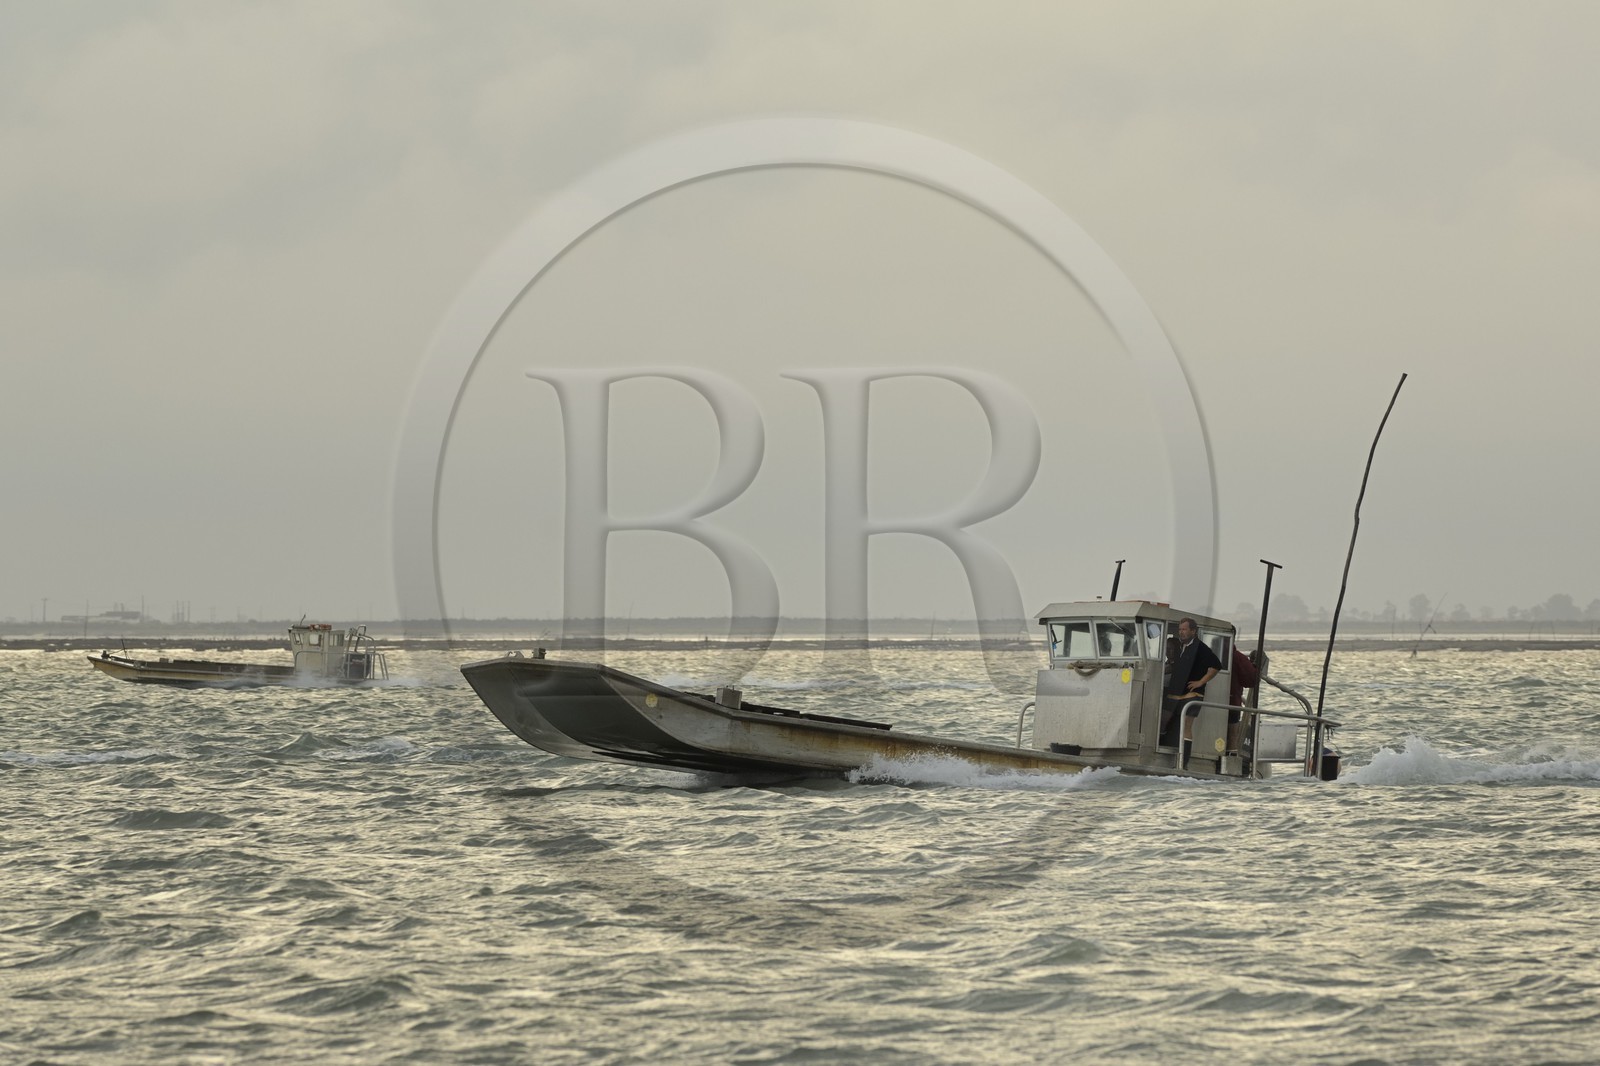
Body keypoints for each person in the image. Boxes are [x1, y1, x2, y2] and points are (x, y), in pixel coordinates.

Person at [1162, 617, 1221, 750]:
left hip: (1192, 695)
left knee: (1185, 726)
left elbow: (1216, 665)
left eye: (1184, 629)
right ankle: (1168, 748)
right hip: (1176, 695)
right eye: (1180, 629)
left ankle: (1184, 761)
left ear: (1193, 631)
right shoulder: (1182, 647)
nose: (1181, 632)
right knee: (1165, 720)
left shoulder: (1200, 648)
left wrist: (1201, 682)